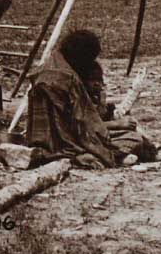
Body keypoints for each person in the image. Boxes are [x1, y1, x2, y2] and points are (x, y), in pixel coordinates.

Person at [25, 29, 118, 168]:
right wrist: (116, 125)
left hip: (40, 140)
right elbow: (82, 124)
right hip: (67, 143)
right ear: (83, 58)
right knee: (132, 139)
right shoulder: (67, 79)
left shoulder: (49, 68)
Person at [85, 60, 157, 163]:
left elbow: (116, 113)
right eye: (91, 80)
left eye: (99, 80)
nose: (97, 84)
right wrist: (117, 124)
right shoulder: (82, 100)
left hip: (103, 135)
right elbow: (88, 126)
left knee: (136, 134)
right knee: (134, 138)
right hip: (89, 138)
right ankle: (113, 157)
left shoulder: (97, 98)